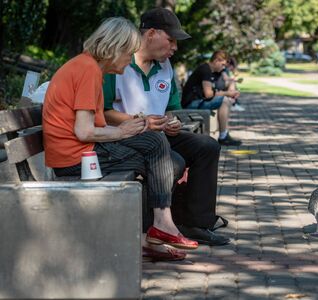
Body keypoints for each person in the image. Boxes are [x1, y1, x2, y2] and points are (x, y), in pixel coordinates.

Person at [42, 17, 198, 263]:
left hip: (83, 150)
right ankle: (149, 235)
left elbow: (91, 127)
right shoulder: (88, 70)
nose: (129, 61)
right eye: (128, 53)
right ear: (115, 48)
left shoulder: (87, 66)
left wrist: (130, 129)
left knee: (157, 147)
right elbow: (83, 131)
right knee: (162, 159)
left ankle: (156, 229)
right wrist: (123, 131)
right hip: (75, 157)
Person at [102, 8, 230, 254]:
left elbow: (172, 109)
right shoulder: (118, 62)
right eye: (171, 40)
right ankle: (155, 227)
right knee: (174, 162)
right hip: (126, 137)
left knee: (207, 146)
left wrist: (172, 122)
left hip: (159, 134)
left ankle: (197, 222)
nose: (175, 48)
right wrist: (141, 121)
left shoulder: (165, 67)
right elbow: (103, 111)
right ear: (151, 34)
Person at [181, 50, 241, 146]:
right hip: (191, 103)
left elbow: (212, 92)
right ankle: (223, 136)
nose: (223, 68)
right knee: (225, 101)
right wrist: (227, 93)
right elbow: (209, 94)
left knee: (226, 100)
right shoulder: (206, 70)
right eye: (223, 65)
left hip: (197, 101)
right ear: (217, 60)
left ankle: (224, 134)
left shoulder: (209, 70)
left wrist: (227, 92)